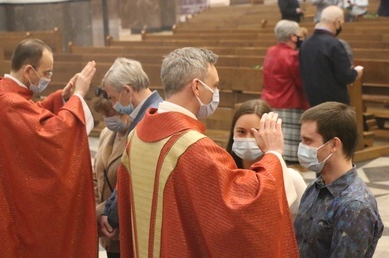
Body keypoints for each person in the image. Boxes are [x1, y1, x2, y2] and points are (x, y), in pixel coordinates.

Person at [117, 47, 299, 257]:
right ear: (196, 86)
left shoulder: (136, 136)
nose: (215, 92)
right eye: (214, 85)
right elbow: (245, 208)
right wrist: (274, 155)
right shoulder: (192, 148)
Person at [0, 38, 98, 257]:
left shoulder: (4, 94)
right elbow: (53, 132)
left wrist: (62, 98)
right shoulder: (8, 103)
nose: (48, 78)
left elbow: (33, 115)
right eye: (47, 73)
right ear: (28, 71)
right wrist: (79, 96)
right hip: (16, 208)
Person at [293, 101, 384, 257]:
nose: (302, 146)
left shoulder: (355, 206)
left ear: (334, 144)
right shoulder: (316, 187)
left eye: (308, 141)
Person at [95, 57, 163, 257]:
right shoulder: (144, 116)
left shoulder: (151, 118)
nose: (114, 105)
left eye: (114, 98)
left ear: (127, 90)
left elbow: (135, 179)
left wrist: (111, 216)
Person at [226, 99, 307, 219]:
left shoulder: (291, 178)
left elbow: (304, 224)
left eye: (256, 133)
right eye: (241, 132)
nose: (248, 139)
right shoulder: (224, 174)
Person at [262, 20, 310, 163]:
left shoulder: (270, 51)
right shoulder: (292, 55)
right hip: (289, 102)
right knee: (289, 152)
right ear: (293, 36)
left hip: (270, 101)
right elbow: (301, 81)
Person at [299, 6, 363, 107]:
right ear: (337, 22)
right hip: (334, 105)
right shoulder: (334, 44)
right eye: (341, 23)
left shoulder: (306, 43)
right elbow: (345, 76)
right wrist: (356, 72)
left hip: (313, 102)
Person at [92, 96, 128, 258]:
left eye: (110, 114)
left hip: (123, 223)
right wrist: (94, 210)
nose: (107, 119)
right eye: (104, 115)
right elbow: (95, 175)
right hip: (104, 226)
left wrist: (102, 210)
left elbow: (128, 183)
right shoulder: (106, 133)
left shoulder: (136, 135)